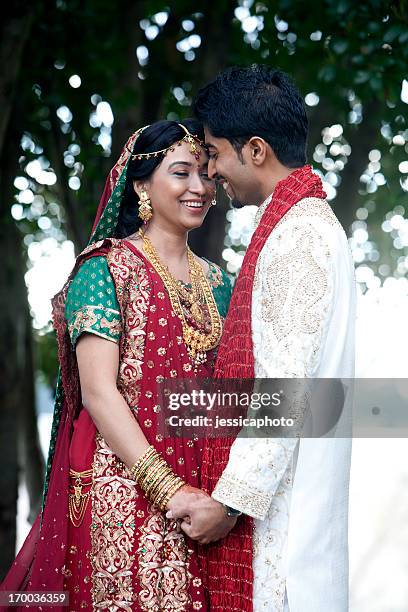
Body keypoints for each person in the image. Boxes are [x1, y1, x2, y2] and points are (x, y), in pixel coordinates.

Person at [1, 119, 233, 611]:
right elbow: (99, 393)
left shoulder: (221, 282)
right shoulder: (104, 269)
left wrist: (225, 499)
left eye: (207, 174)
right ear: (141, 185)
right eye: (182, 173)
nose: (200, 187)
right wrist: (170, 491)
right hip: (126, 492)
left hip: (211, 500)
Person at [167, 65, 356, 611]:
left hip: (285, 545)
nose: (211, 171)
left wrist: (226, 506)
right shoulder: (308, 223)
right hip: (296, 517)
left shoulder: (298, 236)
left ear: (254, 150)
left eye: (215, 153)